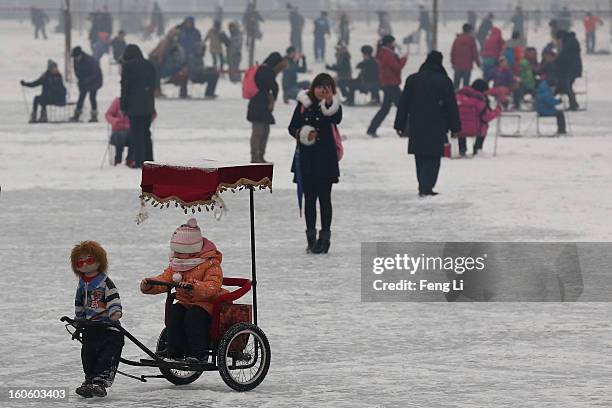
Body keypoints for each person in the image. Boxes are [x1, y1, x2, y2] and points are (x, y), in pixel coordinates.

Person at [140, 219, 224, 363]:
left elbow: (213, 286)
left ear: (192, 251)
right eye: (175, 251)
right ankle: (175, 351)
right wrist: (150, 285)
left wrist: (195, 286)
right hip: (186, 302)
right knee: (175, 313)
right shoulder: (178, 264)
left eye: (180, 252)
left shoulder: (210, 264)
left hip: (207, 304)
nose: (176, 255)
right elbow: (165, 278)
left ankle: (199, 353)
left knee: (194, 317)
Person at [394, 51, 461, 197]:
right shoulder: (444, 81)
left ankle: (423, 185)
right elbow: (451, 106)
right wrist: (455, 127)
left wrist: (399, 124)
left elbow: (403, 103)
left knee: (420, 155)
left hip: (417, 123)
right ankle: (426, 186)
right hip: (437, 123)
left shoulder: (413, 79)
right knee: (434, 156)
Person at [288, 74, 342, 254]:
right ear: (313, 88)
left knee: (325, 199)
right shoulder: (304, 104)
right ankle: (311, 239)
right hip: (306, 159)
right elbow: (292, 127)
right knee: (309, 199)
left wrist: (328, 103)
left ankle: (324, 238)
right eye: (319, 87)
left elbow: (336, 119)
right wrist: (303, 133)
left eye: (326, 88)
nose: (322, 90)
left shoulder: (332, 106)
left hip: (326, 160)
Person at [70, 241, 123, 398]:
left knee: (107, 354)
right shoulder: (82, 283)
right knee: (88, 353)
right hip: (91, 326)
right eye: (80, 262)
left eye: (90, 260)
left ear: (100, 261)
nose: (85, 265)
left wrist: (115, 312)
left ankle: (100, 382)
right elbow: (79, 303)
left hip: (108, 327)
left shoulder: (104, 282)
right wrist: (78, 319)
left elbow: (114, 298)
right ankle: (89, 379)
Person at [247, 52, 288, 163]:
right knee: (259, 131)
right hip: (259, 105)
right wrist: (272, 96)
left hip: (261, 105)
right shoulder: (265, 71)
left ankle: (259, 155)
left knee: (264, 130)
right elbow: (273, 86)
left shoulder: (265, 70)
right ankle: (255, 156)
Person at [120, 44, 156, 168]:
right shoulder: (148, 64)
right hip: (147, 105)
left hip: (133, 107)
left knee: (137, 134)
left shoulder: (127, 67)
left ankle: (140, 161)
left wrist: (123, 106)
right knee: (146, 133)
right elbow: (154, 84)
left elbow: (125, 88)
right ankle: (150, 159)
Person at [367, 35, 406, 138]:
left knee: (385, 109)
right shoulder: (387, 54)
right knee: (403, 107)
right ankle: (406, 129)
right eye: (393, 42)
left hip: (387, 84)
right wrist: (404, 59)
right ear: (389, 43)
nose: (394, 45)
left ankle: (372, 129)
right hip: (392, 84)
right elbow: (397, 67)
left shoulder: (383, 52)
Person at [455, 79, 501, 156]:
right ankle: (477, 148)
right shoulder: (479, 100)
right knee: (483, 124)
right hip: (476, 130)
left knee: (462, 125)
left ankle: (462, 148)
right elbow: (486, 117)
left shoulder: (457, 98)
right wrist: (497, 111)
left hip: (457, 129)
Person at [70, 46, 103, 123]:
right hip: (84, 81)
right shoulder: (76, 60)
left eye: (76, 57)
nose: (75, 59)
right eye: (74, 57)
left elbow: (95, 73)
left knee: (92, 97)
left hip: (95, 81)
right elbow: (76, 71)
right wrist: (80, 80)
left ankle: (94, 116)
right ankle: (77, 115)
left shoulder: (90, 61)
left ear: (80, 55)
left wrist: (85, 80)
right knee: (81, 97)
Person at [554, 30, 582, 111]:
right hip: (573, 67)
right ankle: (574, 103)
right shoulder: (570, 40)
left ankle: (573, 104)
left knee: (568, 86)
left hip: (571, 68)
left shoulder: (569, 42)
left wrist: (556, 60)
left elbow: (564, 54)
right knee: (569, 86)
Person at [450, 23, 480, 89]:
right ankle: (464, 98)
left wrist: (452, 63)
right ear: (469, 30)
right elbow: (474, 53)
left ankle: (455, 97)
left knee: (456, 84)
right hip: (467, 66)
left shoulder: (457, 39)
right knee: (466, 86)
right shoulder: (471, 40)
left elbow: (453, 52)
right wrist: (478, 64)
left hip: (457, 65)